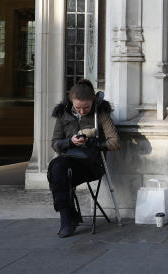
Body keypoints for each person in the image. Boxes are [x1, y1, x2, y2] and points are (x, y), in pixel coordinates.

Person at [48, 79, 120, 237]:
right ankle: (67, 219)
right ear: (71, 102)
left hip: (91, 164)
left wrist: (94, 142)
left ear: (93, 101)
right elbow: (54, 143)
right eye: (77, 107)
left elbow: (115, 142)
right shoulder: (63, 114)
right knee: (56, 168)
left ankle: (70, 218)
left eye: (86, 107)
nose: (81, 111)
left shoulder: (100, 113)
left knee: (58, 173)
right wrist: (70, 141)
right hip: (68, 162)